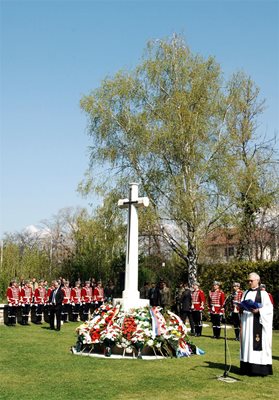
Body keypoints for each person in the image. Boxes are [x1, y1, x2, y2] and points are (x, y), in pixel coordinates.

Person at [240, 272, 273, 376]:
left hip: (257, 323)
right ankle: (247, 368)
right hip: (246, 323)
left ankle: (259, 369)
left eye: (251, 281)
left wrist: (259, 311)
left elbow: (269, 309)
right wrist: (240, 307)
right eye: (248, 281)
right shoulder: (245, 293)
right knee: (247, 344)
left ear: (257, 281)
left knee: (256, 344)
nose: (249, 282)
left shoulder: (263, 294)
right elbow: (242, 304)